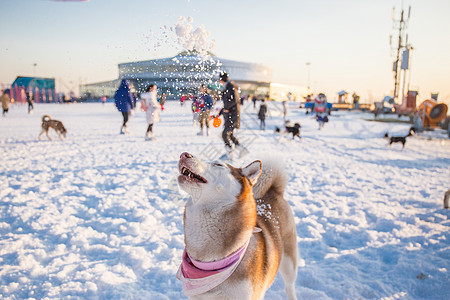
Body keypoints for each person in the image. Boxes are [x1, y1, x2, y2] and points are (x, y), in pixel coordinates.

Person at [216, 72, 248, 160]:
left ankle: (230, 154)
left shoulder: (231, 87)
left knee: (224, 134)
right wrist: (219, 114)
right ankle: (242, 150)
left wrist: (226, 108)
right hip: (231, 114)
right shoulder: (229, 87)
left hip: (233, 115)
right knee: (230, 135)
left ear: (220, 80)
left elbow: (234, 100)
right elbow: (228, 102)